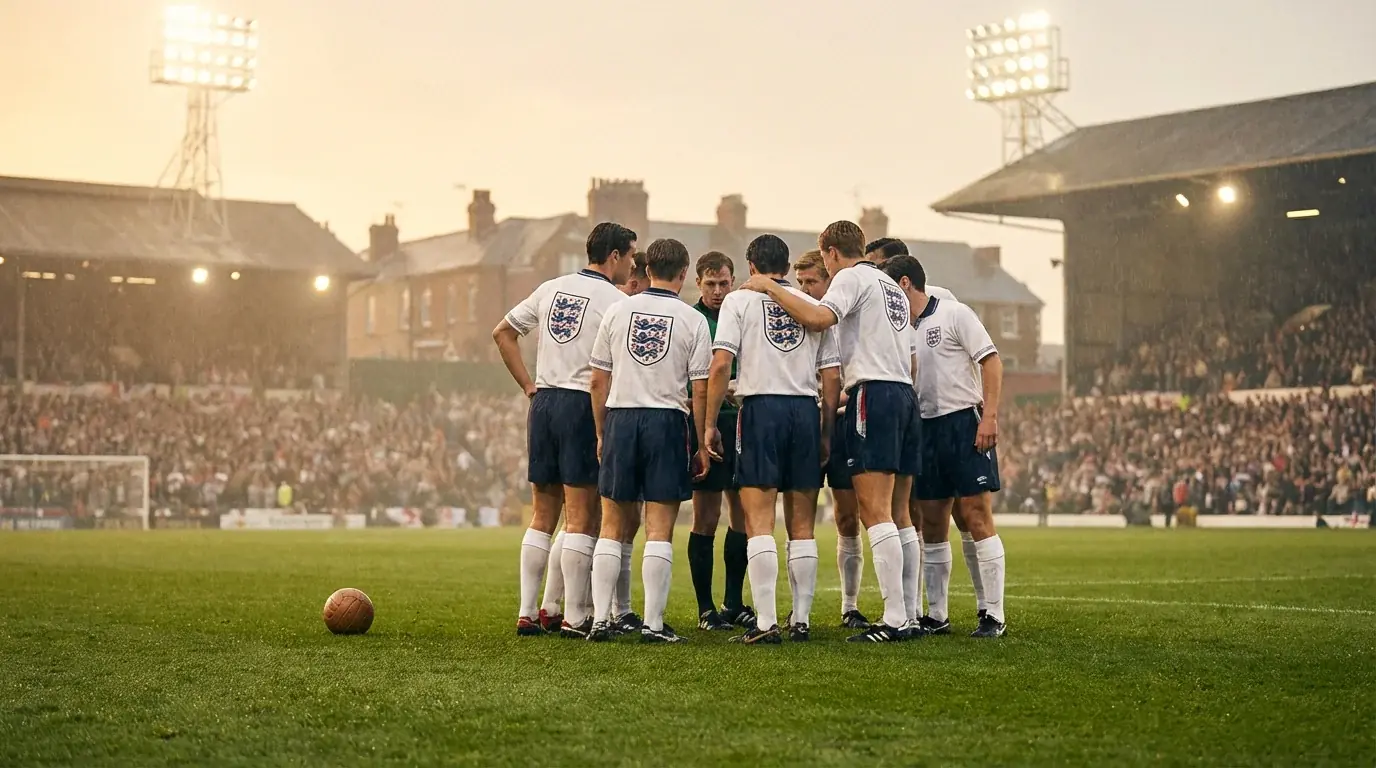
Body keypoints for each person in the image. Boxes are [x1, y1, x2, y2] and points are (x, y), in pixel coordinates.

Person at [742, 220, 920, 643]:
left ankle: (895, 618)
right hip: (903, 394)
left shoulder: (852, 278)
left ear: (832, 252)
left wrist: (769, 287)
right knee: (897, 513)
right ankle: (909, 613)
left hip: (873, 393)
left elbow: (819, 318)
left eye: (825, 259)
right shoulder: (890, 286)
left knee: (874, 511)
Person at [492, 221, 636, 638]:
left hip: (544, 402)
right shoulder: (616, 301)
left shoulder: (550, 288)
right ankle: (573, 616)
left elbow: (502, 333)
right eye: (630, 256)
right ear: (614, 256)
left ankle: (527, 611)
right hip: (580, 404)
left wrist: (528, 386)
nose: (632, 265)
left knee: (542, 515)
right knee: (581, 517)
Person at [705, 235, 842, 644]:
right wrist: (826, 431)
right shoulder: (811, 306)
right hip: (804, 411)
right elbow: (831, 376)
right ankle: (801, 620)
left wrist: (709, 423)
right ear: (786, 266)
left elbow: (721, 364)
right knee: (802, 526)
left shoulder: (739, 301)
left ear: (751, 266)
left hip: (761, 410)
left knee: (759, 521)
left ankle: (765, 624)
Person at [586, 238, 714, 643]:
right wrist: (701, 442)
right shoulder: (692, 319)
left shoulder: (617, 310)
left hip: (622, 418)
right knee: (659, 529)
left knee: (611, 526)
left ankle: (601, 620)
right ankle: (653, 626)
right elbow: (700, 388)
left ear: (647, 269)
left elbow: (597, 380)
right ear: (684, 273)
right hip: (666, 421)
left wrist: (602, 432)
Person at [882, 255, 1009, 638]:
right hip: (925, 429)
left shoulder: (955, 313)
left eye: (889, 288)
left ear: (904, 284)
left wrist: (989, 417)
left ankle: (994, 614)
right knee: (933, 522)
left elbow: (991, 362)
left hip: (962, 422)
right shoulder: (900, 329)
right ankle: (937, 615)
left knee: (976, 515)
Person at [794, 249, 870, 629]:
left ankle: (849, 605)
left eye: (812, 281)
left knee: (847, 515)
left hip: (839, 424)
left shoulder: (846, 319)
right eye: (800, 282)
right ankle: (799, 612)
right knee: (800, 519)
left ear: (830, 280)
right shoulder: (796, 319)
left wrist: (835, 399)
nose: (805, 289)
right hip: (801, 422)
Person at [687, 251, 755, 631]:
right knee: (707, 515)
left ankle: (733, 602)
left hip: (742, 422)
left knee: (742, 512)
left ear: (734, 281)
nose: (717, 291)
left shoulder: (743, 313)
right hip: (704, 425)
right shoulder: (690, 320)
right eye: (710, 284)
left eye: (724, 283)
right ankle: (705, 609)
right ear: (697, 283)